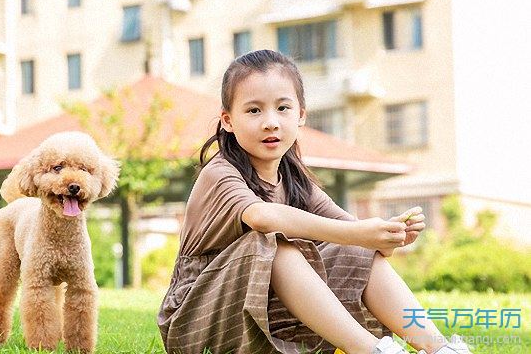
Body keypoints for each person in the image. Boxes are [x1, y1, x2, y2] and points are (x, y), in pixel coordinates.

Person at [157, 50, 473, 354]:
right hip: (193, 321)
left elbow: (357, 238)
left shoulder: (294, 179)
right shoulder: (221, 172)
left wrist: (389, 236)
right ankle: (370, 350)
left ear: (301, 115)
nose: (271, 122)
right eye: (254, 110)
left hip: (259, 315)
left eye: (283, 108)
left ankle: (438, 347)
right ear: (227, 120)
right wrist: (361, 234)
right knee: (272, 244)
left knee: (353, 247)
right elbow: (262, 218)